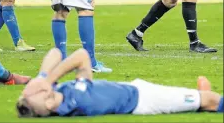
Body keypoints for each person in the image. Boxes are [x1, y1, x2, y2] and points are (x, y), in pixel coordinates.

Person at [16, 48, 224, 117]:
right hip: (145, 101)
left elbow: (56, 52)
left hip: (135, 88)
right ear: (50, 104)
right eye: (39, 92)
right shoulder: (77, 101)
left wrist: (42, 77)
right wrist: (47, 80)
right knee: (210, 99)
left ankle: (196, 100)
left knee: (199, 99)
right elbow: (80, 55)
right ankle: (202, 101)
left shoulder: (62, 93)